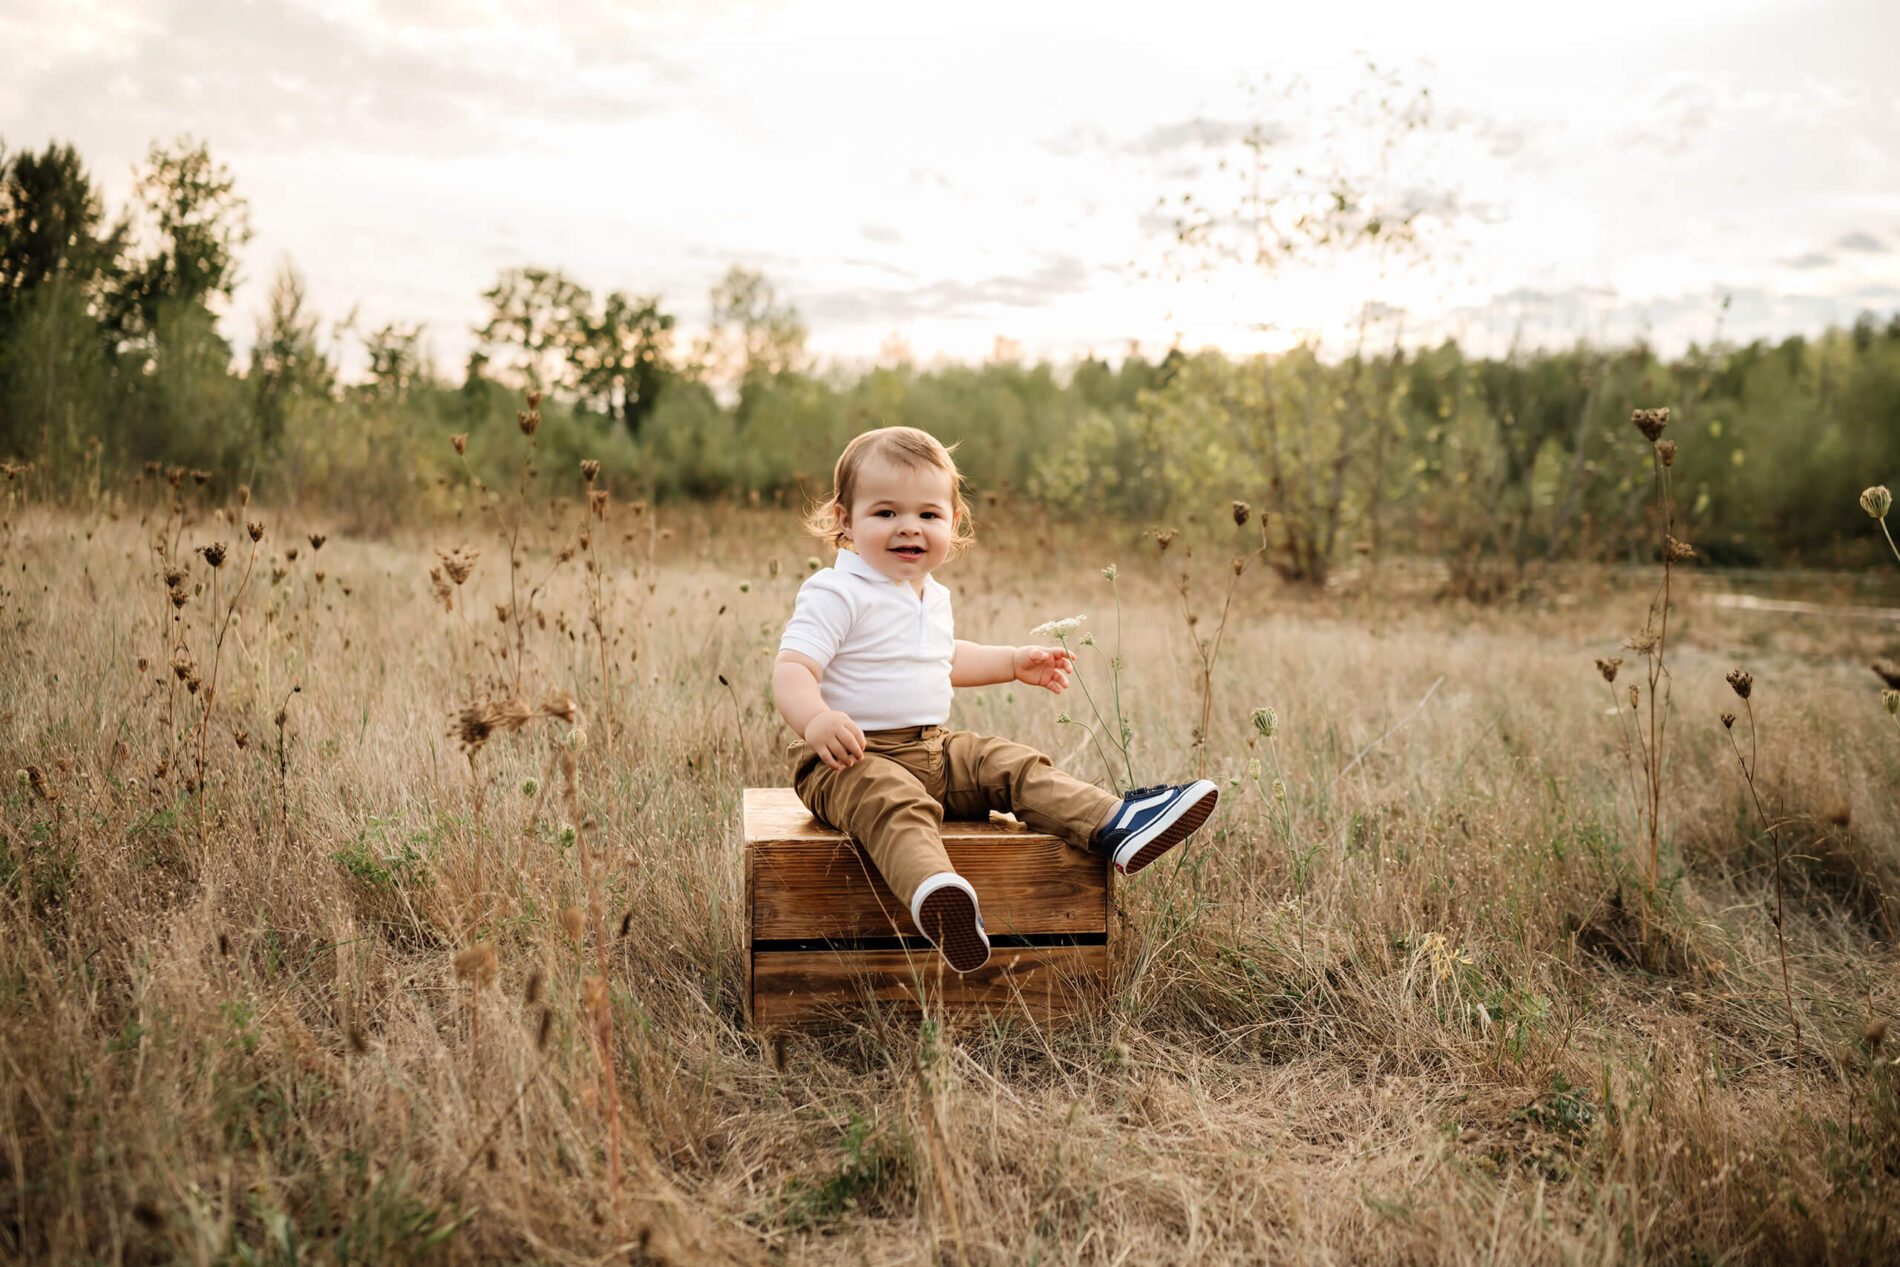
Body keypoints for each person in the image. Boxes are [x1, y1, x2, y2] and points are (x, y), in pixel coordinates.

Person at [771, 426, 1218, 972]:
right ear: (845, 520)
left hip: (932, 749)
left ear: (953, 522)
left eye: (928, 514)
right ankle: (937, 895)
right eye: (886, 513)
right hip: (848, 760)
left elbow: (944, 659)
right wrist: (816, 719)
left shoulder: (930, 595)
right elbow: (793, 668)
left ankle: (1116, 825)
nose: (909, 526)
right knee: (895, 803)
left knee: (1010, 764)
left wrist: (1011, 662)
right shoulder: (836, 591)